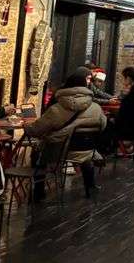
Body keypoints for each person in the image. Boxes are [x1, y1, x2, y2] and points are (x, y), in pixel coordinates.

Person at [25, 67, 106, 197]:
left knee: (37, 154)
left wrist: (26, 127)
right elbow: (103, 125)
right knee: (86, 159)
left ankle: (38, 192)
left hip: (59, 152)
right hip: (87, 151)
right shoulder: (96, 108)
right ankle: (90, 186)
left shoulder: (57, 109)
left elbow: (36, 130)